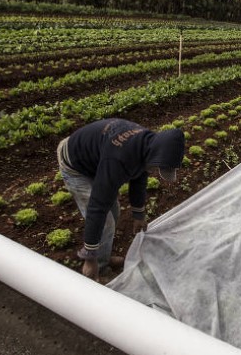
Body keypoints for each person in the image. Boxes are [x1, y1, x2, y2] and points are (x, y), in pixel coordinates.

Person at [57, 118, 185, 280]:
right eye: (157, 167)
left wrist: (138, 214)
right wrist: (89, 256)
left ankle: (103, 256)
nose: (155, 171)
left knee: (114, 210)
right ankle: (98, 267)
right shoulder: (119, 158)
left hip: (97, 158)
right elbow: (97, 206)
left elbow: (140, 176)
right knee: (105, 220)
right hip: (75, 166)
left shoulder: (148, 144)